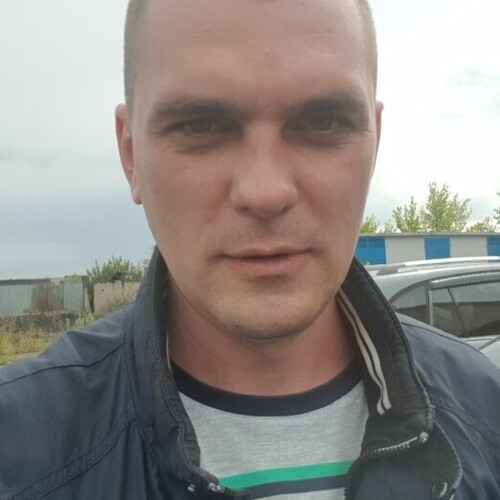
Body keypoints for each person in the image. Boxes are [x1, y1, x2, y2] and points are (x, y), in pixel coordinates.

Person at [1, 0, 499, 498]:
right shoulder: (18, 451)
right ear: (131, 155)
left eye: (324, 122)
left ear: (375, 143)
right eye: (201, 125)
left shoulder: (486, 411)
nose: (266, 192)